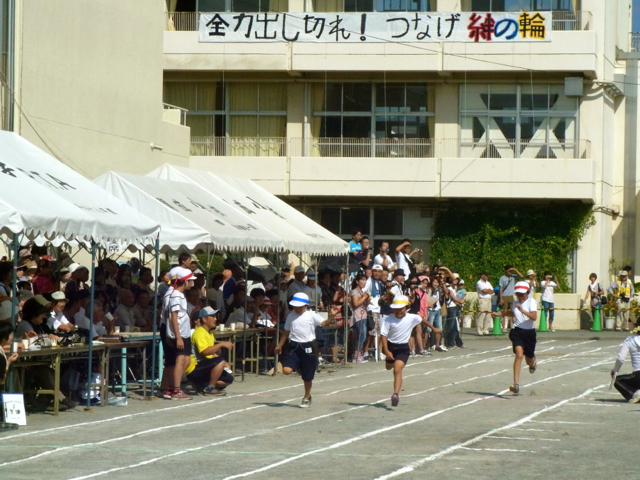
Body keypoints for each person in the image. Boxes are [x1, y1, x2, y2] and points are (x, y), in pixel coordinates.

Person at [275, 293, 337, 407]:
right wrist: (279, 345)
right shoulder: (290, 316)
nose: (297, 308)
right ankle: (298, 366)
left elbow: (324, 324)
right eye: (295, 306)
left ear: (306, 305)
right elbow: (286, 332)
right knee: (286, 370)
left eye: (300, 306)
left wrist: (331, 316)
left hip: (308, 346)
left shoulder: (311, 315)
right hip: (294, 346)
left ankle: (307, 395)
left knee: (307, 376)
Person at [380, 295, 441, 407]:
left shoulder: (412, 317)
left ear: (406, 308)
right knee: (389, 367)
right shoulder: (389, 319)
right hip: (391, 347)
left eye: (401, 309)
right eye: (396, 309)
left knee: (397, 370)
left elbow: (422, 320)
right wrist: (387, 351)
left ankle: (395, 394)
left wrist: (433, 329)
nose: (398, 311)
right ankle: (391, 361)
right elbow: (383, 335)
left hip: (403, 348)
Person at [492, 281, 538, 394]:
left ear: (527, 292)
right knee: (519, 354)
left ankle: (533, 363)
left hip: (529, 333)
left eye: (523, 294)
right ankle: (516, 383)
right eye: (518, 294)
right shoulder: (515, 303)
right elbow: (514, 314)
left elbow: (534, 317)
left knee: (529, 360)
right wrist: (500, 314)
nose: (521, 296)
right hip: (517, 331)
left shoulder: (531, 302)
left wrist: (522, 310)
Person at [185, 306, 234, 396]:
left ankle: (202, 384)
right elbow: (204, 352)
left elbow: (210, 354)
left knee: (228, 379)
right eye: (213, 317)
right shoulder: (199, 332)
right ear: (204, 319)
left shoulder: (209, 333)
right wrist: (221, 344)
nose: (215, 319)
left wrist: (224, 364)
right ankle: (209, 387)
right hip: (194, 368)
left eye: (215, 316)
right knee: (220, 360)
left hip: (203, 365)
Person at [164, 267, 196, 400]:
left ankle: (172, 386)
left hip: (184, 333)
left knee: (187, 360)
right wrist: (178, 337)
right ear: (185, 282)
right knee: (181, 359)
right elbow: (174, 317)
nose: (192, 283)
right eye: (190, 281)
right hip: (180, 334)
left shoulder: (180, 295)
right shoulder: (176, 295)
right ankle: (176, 390)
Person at [611, 325, 640, 403]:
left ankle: (635, 394)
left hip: (638, 376)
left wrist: (615, 370)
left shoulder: (630, 340)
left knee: (617, 380)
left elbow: (621, 358)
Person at [350, 273, 370, 363]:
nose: (364, 282)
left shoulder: (362, 292)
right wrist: (364, 297)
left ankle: (359, 354)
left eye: (365, 280)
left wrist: (367, 300)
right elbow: (355, 303)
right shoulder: (354, 291)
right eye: (362, 280)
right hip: (358, 316)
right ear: (357, 281)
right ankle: (356, 355)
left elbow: (364, 304)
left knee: (363, 335)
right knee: (360, 336)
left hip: (363, 315)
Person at [499, 265, 523, 331]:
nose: (510, 272)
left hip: (511, 296)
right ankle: (504, 327)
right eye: (509, 270)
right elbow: (501, 288)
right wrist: (501, 298)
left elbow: (521, 276)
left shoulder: (513, 277)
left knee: (513, 311)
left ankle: (514, 326)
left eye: (511, 271)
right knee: (504, 312)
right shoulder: (502, 278)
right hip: (504, 296)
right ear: (506, 270)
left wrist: (515, 270)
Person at [476, 272, 493, 336]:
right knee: (481, 315)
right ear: (482, 276)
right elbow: (484, 291)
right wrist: (488, 290)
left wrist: (487, 290)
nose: (487, 277)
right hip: (482, 299)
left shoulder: (488, 283)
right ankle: (480, 331)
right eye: (486, 275)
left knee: (488, 315)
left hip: (489, 299)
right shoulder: (479, 282)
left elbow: (492, 290)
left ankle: (486, 330)